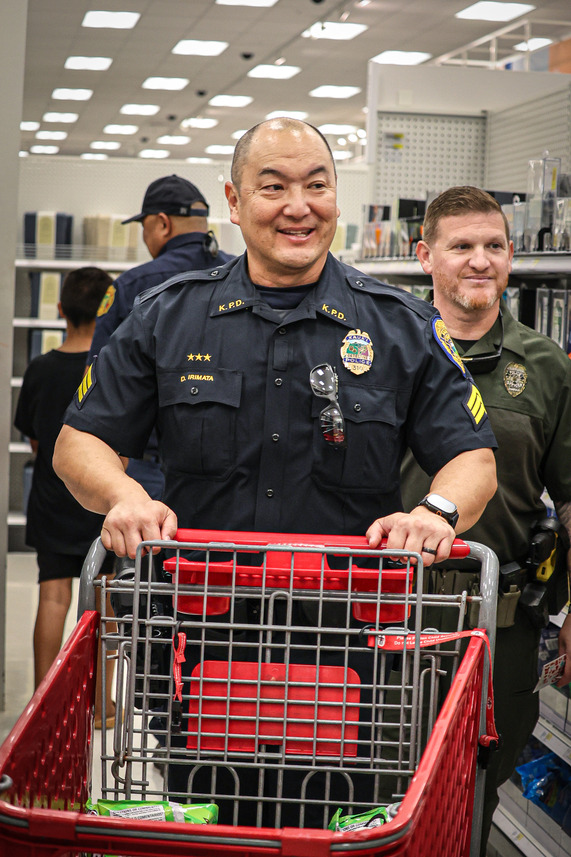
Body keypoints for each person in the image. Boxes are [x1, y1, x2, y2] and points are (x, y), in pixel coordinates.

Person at [53, 119, 497, 820]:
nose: (299, 205)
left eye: (316, 185)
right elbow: (78, 442)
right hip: (201, 645)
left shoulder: (400, 326)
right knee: (208, 820)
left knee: (339, 826)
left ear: (335, 196)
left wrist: (434, 512)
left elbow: (471, 455)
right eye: (274, 186)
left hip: (351, 655)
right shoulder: (166, 316)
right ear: (233, 201)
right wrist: (123, 494)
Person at [399, 185, 571, 855]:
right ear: (424, 256)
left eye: (493, 246)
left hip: (500, 624)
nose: (479, 260)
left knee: (476, 785)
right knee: (380, 780)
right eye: (460, 246)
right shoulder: (382, 350)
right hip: (388, 614)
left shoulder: (547, 366)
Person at [88, 173, 233, 500]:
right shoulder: (242, 278)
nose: (144, 237)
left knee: (150, 550)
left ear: (163, 224)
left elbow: (97, 381)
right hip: (231, 474)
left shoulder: (132, 286)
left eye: (144, 227)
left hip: (149, 472)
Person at [14, 266, 116, 725]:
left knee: (52, 597)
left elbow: (36, 440)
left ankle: (44, 704)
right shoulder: (107, 368)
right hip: (100, 504)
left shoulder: (40, 368)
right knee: (105, 603)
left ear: (60, 310)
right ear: (109, 310)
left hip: (51, 500)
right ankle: (100, 705)